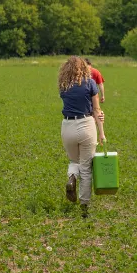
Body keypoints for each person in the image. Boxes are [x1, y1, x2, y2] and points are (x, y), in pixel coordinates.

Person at [59, 56, 106, 218]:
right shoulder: (90, 83)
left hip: (67, 126)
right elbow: (96, 110)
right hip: (86, 125)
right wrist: (102, 133)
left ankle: (72, 177)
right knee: (86, 168)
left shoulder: (63, 86)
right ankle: (84, 207)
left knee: (74, 161)